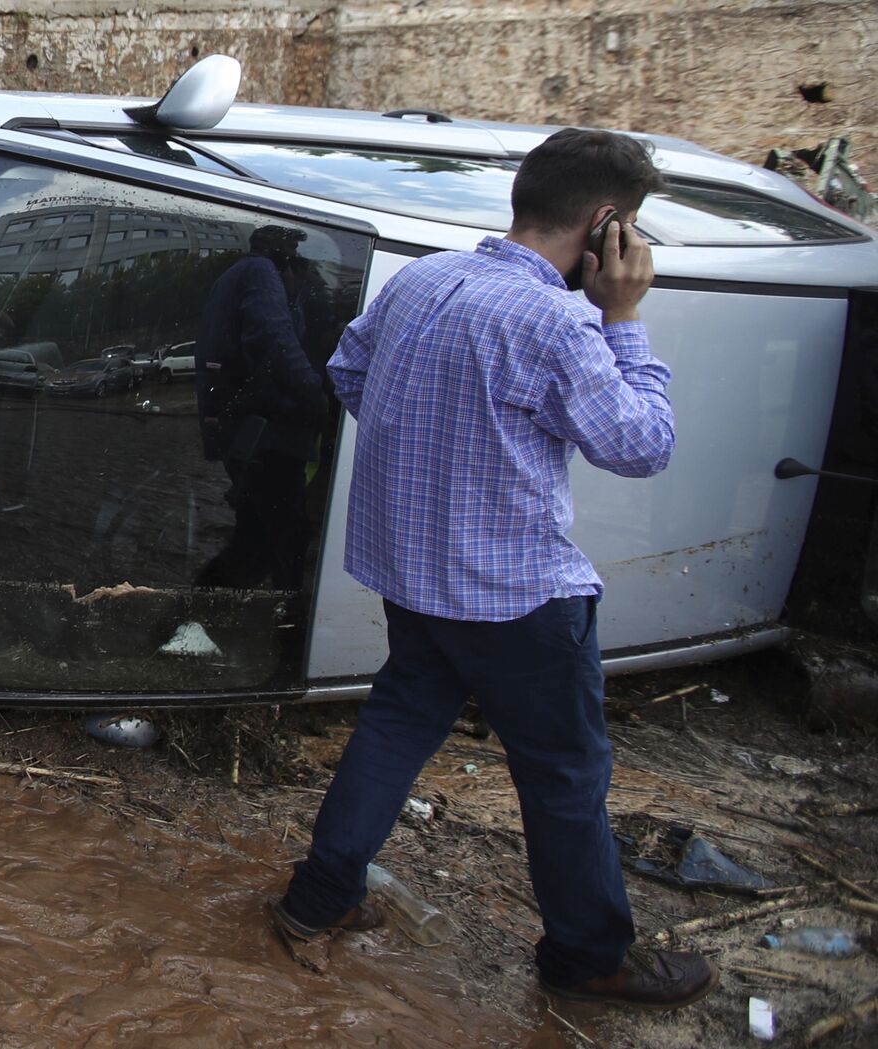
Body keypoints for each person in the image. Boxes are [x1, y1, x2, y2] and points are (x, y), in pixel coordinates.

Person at [272, 128, 718, 1009]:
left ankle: (314, 903)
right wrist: (624, 320)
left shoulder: (423, 278)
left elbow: (348, 370)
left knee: (396, 726)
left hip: (417, 578)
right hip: (518, 599)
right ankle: (589, 955)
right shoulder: (558, 321)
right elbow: (642, 446)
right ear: (605, 225)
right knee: (562, 777)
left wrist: (441, 453)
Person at [194, 225, 326, 590]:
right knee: (284, 541)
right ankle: (288, 631)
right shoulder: (259, 272)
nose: (297, 256)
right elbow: (275, 342)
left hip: (250, 432)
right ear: (279, 250)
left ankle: (191, 616)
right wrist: (319, 398)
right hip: (268, 437)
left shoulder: (235, 275)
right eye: (292, 248)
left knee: (256, 540)